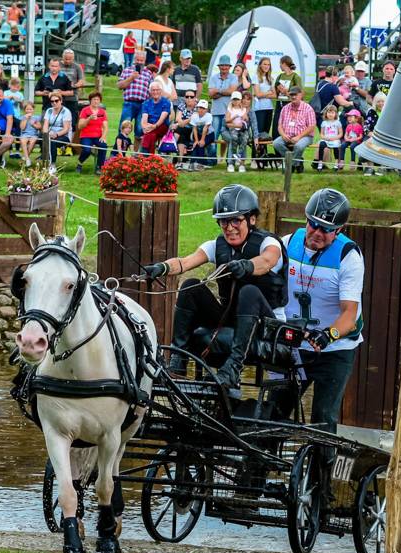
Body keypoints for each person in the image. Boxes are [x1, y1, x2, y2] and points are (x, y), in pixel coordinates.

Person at [144, 184, 288, 391]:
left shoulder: (268, 242)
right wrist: (162, 267)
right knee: (191, 286)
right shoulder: (217, 245)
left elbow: (268, 261)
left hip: (266, 325)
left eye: (236, 220)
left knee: (248, 291)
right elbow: (185, 262)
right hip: (233, 319)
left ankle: (233, 367)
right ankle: (178, 361)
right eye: (223, 221)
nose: (229, 227)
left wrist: (247, 266)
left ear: (251, 219)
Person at [280, 188, 364, 437]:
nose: (317, 232)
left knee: (323, 419)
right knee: (275, 409)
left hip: (335, 350)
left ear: (339, 230)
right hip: (295, 346)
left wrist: (329, 334)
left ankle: (322, 463)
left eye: (326, 229)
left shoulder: (348, 256)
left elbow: (349, 314)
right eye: (313, 224)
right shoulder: (288, 243)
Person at [273, 86, 316, 172]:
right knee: (276, 143)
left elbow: (311, 126)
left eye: (295, 94)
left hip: (305, 136)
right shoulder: (285, 108)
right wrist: (283, 135)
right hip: (288, 135)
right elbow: (280, 126)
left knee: (298, 146)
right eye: (291, 95)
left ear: (301, 95)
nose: (293, 97)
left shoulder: (308, 108)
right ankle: (297, 161)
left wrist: (298, 137)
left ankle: (291, 166)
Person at [117, 49, 153, 137]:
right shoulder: (127, 70)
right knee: (124, 127)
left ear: (144, 61)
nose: (139, 62)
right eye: (138, 60)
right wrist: (131, 78)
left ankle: (137, 146)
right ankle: (120, 145)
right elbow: (119, 86)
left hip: (143, 105)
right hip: (129, 103)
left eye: (141, 60)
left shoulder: (148, 73)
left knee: (140, 130)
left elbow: (151, 90)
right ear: (134, 59)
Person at [76, 91, 108, 174]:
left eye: (98, 99)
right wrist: (89, 118)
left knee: (103, 146)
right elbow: (80, 126)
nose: (96, 101)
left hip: (98, 136)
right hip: (86, 136)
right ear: (90, 100)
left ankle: (99, 167)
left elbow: (105, 127)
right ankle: (79, 163)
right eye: (94, 99)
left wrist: (103, 137)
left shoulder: (102, 112)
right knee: (87, 150)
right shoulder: (85, 110)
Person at [208, 54, 237, 140]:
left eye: (226, 65)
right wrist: (226, 91)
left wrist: (217, 91)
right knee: (214, 138)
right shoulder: (214, 78)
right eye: (222, 65)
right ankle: (214, 150)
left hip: (229, 113)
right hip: (216, 112)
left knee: (229, 139)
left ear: (229, 67)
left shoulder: (233, 77)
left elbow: (232, 91)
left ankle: (228, 151)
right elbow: (210, 94)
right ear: (219, 66)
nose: (224, 67)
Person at [273, 55, 302, 137]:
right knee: (276, 126)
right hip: (279, 104)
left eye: (280, 63)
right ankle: (276, 143)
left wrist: (286, 92)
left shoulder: (295, 77)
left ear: (284, 64)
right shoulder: (279, 76)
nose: (279, 66)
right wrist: (278, 89)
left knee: (288, 126)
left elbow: (299, 94)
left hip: (290, 104)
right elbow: (275, 93)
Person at [139, 81, 171, 154]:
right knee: (151, 135)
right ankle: (150, 157)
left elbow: (162, 118)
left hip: (161, 126)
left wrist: (154, 126)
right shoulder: (146, 103)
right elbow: (144, 118)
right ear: (150, 92)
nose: (155, 92)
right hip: (149, 127)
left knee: (149, 134)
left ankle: (144, 155)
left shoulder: (166, 102)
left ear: (161, 91)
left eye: (157, 90)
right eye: (153, 90)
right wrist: (144, 127)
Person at [221, 91, 249, 171]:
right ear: (231, 100)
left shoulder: (243, 109)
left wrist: (244, 118)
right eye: (234, 99)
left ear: (240, 100)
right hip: (233, 129)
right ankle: (231, 162)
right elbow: (227, 121)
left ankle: (239, 156)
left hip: (242, 129)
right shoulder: (230, 109)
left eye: (237, 99)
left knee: (244, 139)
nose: (236, 101)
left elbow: (246, 119)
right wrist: (234, 118)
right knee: (234, 139)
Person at [42, 92, 72, 164]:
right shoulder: (49, 110)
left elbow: (66, 129)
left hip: (63, 135)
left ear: (61, 101)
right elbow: (45, 125)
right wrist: (46, 134)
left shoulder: (66, 112)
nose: (54, 103)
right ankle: (44, 160)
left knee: (52, 142)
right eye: (52, 101)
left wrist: (56, 134)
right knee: (42, 138)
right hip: (50, 134)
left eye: (56, 101)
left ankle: (52, 164)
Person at [186, 99, 213, 168]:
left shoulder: (209, 116)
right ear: (197, 108)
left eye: (203, 108)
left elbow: (205, 128)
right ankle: (193, 162)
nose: (201, 110)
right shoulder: (194, 116)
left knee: (200, 145)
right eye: (200, 108)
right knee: (196, 144)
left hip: (209, 134)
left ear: (206, 110)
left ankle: (200, 163)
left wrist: (202, 140)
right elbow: (194, 128)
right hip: (198, 134)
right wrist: (196, 140)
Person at [18, 101, 41, 166]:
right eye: (27, 109)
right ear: (24, 110)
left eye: (30, 109)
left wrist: (33, 124)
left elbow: (39, 127)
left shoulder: (36, 117)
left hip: (34, 135)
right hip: (24, 134)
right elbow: (22, 128)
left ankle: (25, 157)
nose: (29, 111)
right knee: (23, 141)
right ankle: (27, 159)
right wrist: (25, 119)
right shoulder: (23, 117)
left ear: (33, 110)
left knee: (32, 141)